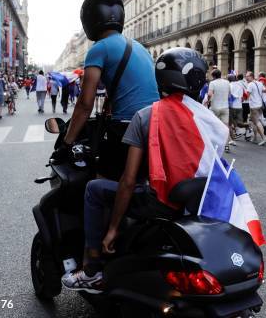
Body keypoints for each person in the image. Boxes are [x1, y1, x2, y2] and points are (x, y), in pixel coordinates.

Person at [61, 48, 221, 292]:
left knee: (94, 189)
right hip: (196, 202)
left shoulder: (147, 116)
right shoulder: (209, 120)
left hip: (160, 203)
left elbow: (127, 180)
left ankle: (92, 268)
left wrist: (112, 229)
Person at [55, 0, 160, 182]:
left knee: (99, 182)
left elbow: (85, 103)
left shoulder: (98, 49)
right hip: (155, 124)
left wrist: (67, 143)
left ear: (90, 19)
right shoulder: (139, 46)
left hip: (126, 127)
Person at [207, 69, 231, 152]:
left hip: (215, 107)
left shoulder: (212, 83)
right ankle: (227, 145)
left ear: (213, 76)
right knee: (225, 126)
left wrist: (208, 100)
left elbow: (210, 94)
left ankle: (215, 144)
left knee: (214, 126)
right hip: (225, 107)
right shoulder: (227, 82)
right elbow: (229, 95)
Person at [245, 71, 266, 145]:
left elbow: (246, 96)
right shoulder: (259, 83)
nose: (246, 78)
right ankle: (254, 138)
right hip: (259, 105)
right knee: (253, 121)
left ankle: (264, 138)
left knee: (256, 122)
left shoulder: (250, 84)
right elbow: (265, 90)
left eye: (247, 76)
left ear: (251, 76)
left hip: (254, 106)